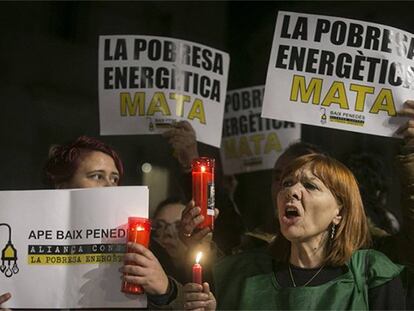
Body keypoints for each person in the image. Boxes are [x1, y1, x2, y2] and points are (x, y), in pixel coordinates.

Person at [183, 153, 405, 310]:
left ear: (339, 211)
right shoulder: (240, 274)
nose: (292, 191)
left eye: (310, 186)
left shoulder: (372, 275)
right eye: (287, 183)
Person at [1, 136, 170, 309]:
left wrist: (165, 291)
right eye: (97, 176)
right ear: (62, 186)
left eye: (114, 179)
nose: (110, 187)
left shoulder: (144, 250)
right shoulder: (16, 241)